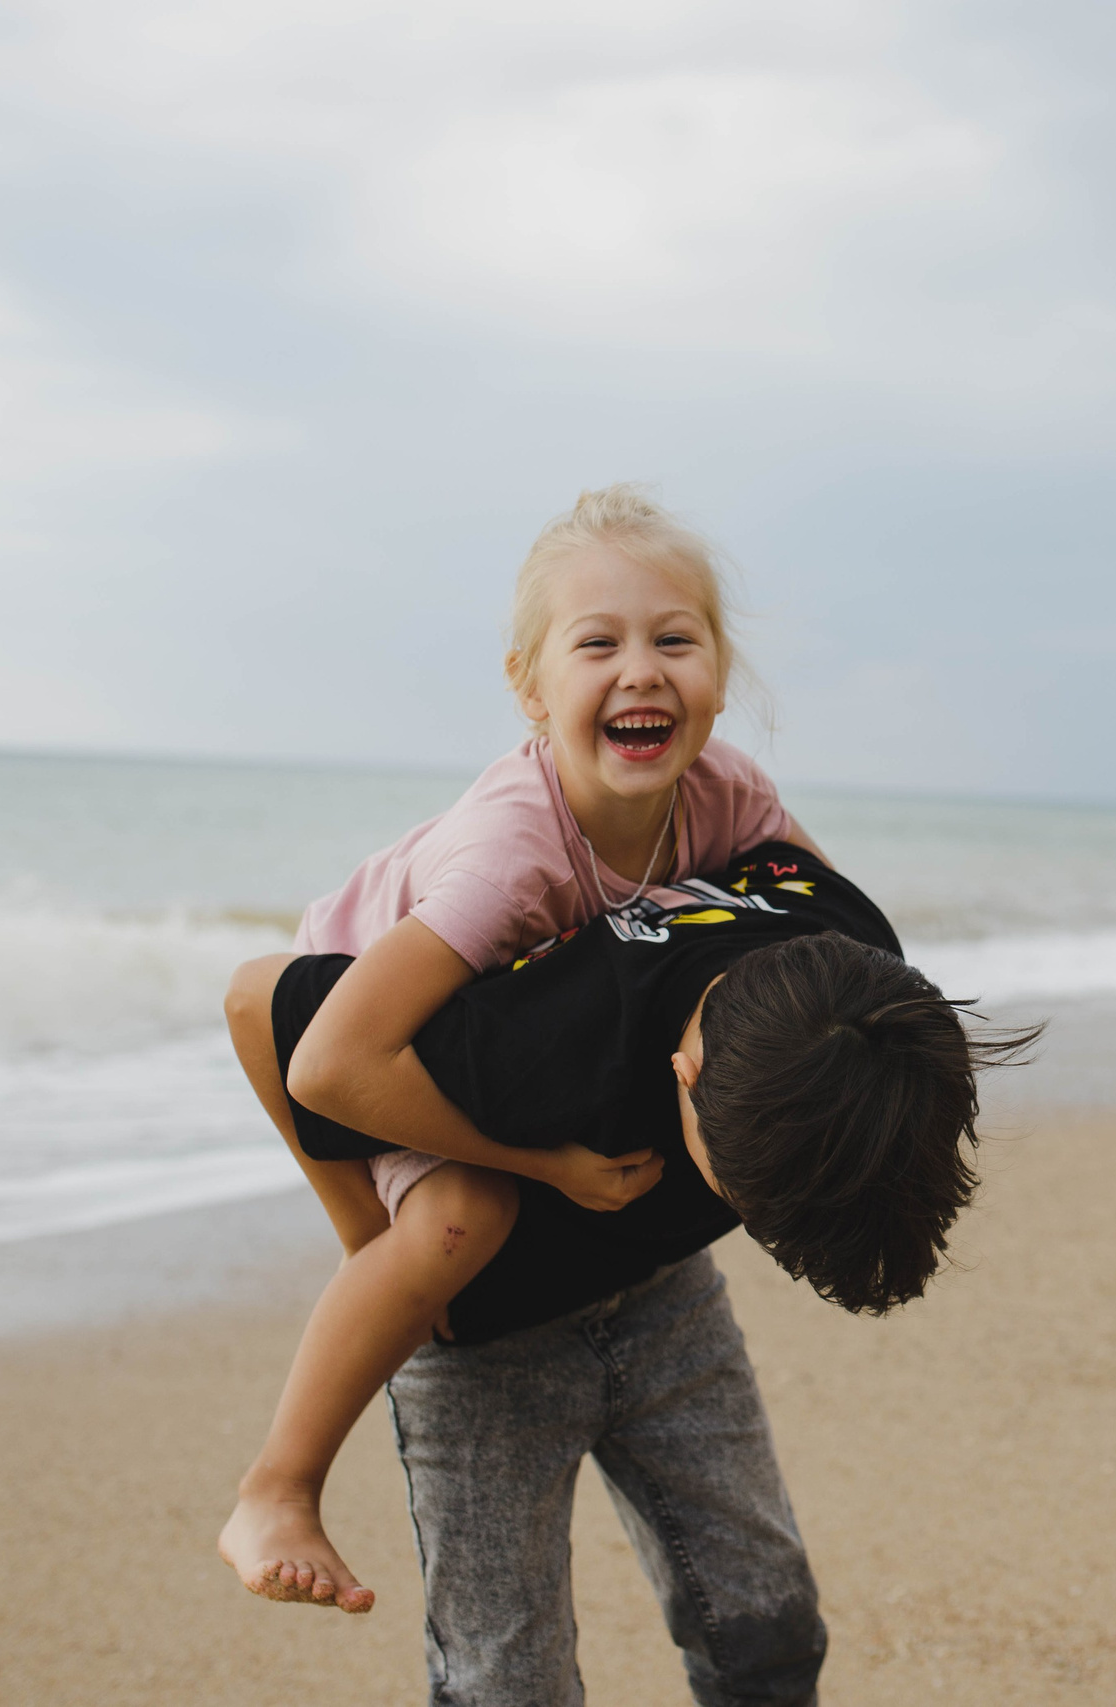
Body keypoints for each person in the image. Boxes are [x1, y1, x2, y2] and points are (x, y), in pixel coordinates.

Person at [225, 842, 1033, 1705]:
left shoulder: (865, 991)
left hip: (667, 1304)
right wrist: (374, 1234)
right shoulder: (541, 1037)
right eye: (745, 1199)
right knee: (505, 1681)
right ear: (685, 1078)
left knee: (768, 1628)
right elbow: (255, 1002)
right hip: (485, 1353)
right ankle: (274, 1487)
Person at [217, 483, 818, 1616]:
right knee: (460, 1225)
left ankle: (394, 1261)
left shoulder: (728, 792)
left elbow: (815, 915)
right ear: (531, 689)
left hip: (514, 1031)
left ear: (719, 676)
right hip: (375, 1024)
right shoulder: (512, 855)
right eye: (598, 644)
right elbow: (327, 1064)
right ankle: (277, 1487)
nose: (640, 669)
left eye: (673, 639)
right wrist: (547, 1168)